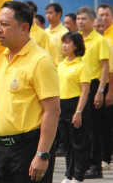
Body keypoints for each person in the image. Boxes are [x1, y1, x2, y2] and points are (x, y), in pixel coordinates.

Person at [0, 1, 60, 183]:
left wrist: (42, 155)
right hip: (2, 148)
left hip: (28, 149)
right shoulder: (1, 58)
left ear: (24, 28)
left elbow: (52, 111)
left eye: (4, 24)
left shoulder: (40, 61)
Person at [76, 6, 110, 179]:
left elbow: (105, 67)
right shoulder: (77, 39)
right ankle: (85, 163)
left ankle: (96, 166)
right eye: (78, 18)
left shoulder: (99, 40)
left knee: (93, 129)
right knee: (82, 128)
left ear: (92, 20)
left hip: (94, 86)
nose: (80, 22)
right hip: (79, 87)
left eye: (83, 19)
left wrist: (101, 91)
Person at [58, 32, 91, 183]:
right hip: (62, 106)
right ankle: (68, 174)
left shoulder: (82, 65)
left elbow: (85, 90)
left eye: (67, 42)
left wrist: (78, 112)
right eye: (63, 42)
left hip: (76, 105)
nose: (64, 45)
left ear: (76, 45)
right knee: (67, 144)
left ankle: (78, 176)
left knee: (78, 143)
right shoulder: (61, 64)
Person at [93, 16, 113, 171]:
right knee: (93, 127)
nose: (100, 28)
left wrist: (108, 93)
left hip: (103, 86)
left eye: (102, 26)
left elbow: (110, 71)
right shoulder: (86, 41)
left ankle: (106, 157)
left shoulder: (105, 43)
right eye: (97, 26)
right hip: (89, 87)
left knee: (104, 125)